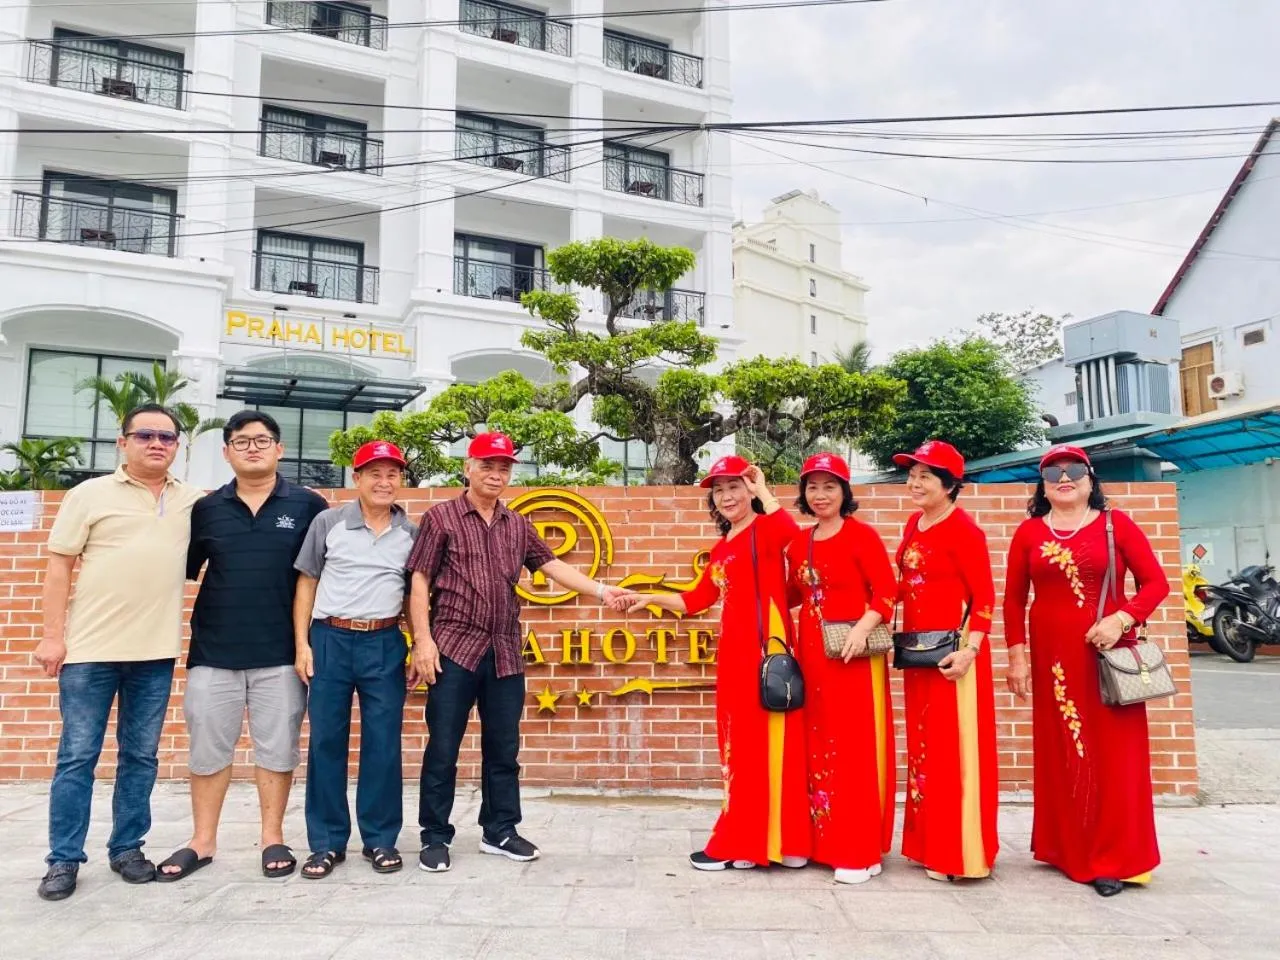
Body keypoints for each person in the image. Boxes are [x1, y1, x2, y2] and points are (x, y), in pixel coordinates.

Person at [406, 432, 630, 872]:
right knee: (443, 747)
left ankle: (500, 829)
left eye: (504, 467)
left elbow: (552, 566)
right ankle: (434, 835)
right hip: (452, 647)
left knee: (504, 748)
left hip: (505, 650)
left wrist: (602, 590)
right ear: (467, 468)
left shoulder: (517, 524)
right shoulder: (441, 518)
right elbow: (418, 579)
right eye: (487, 465)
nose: (496, 473)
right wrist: (422, 640)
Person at [33, 404, 204, 901]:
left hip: (155, 654)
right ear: (122, 442)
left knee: (140, 757)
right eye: (145, 435)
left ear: (177, 447)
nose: (157, 444)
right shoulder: (89, 495)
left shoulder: (191, 499)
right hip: (90, 651)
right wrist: (51, 635)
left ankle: (127, 847)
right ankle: (63, 859)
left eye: (167, 438)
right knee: (77, 757)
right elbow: (60, 565)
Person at [157, 410, 328, 882]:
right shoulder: (206, 509)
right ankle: (202, 840)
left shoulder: (310, 505)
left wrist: (306, 645)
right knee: (208, 750)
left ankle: (272, 836)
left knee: (277, 750)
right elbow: (181, 572)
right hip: (215, 652)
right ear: (227, 451)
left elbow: (317, 580)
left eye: (262, 440)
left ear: (280, 449)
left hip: (281, 654)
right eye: (241, 441)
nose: (252, 447)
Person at [623, 455, 810, 872]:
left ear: (749, 490)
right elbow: (696, 600)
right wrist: (650, 597)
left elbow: (790, 533)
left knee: (768, 743)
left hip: (766, 647)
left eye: (735, 487)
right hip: (735, 650)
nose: (727, 496)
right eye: (719, 490)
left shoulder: (765, 528)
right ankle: (757, 842)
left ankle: (763, 842)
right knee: (741, 747)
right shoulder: (722, 547)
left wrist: (763, 489)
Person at [1003, 444, 1169, 897]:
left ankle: (1118, 858)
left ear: (1091, 478)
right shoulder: (1029, 533)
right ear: (1042, 485)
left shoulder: (1118, 526)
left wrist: (1122, 617)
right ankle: (1065, 848)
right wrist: (1015, 654)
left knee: (1115, 756)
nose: (1063, 477)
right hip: (1052, 658)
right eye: (1052, 471)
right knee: (1063, 750)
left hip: (1106, 657)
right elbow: (1014, 599)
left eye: (1074, 469)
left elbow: (1156, 583)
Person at [292, 440, 418, 879]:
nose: (384, 482)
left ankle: (381, 840)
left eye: (392, 474)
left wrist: (420, 642)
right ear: (357, 478)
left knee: (384, 744)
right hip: (330, 639)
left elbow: (415, 596)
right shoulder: (328, 522)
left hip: (384, 641)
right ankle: (326, 843)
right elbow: (306, 585)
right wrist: (302, 645)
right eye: (374, 474)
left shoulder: (411, 532)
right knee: (327, 740)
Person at [785, 452, 897, 885]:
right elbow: (792, 594)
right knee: (813, 745)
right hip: (812, 656)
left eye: (829, 486)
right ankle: (817, 842)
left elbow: (887, 591)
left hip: (855, 657)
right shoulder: (799, 542)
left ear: (845, 492)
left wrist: (862, 628)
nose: (820, 495)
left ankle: (858, 848)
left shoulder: (861, 536)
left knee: (854, 748)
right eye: (812, 487)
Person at [891, 440, 999, 881]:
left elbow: (985, 599)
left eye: (925, 477)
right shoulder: (914, 524)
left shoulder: (964, 531)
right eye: (912, 475)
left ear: (951, 485)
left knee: (955, 752)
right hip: (918, 654)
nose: (915, 483)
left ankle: (961, 854)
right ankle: (927, 844)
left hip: (955, 657)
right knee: (925, 751)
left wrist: (970, 650)